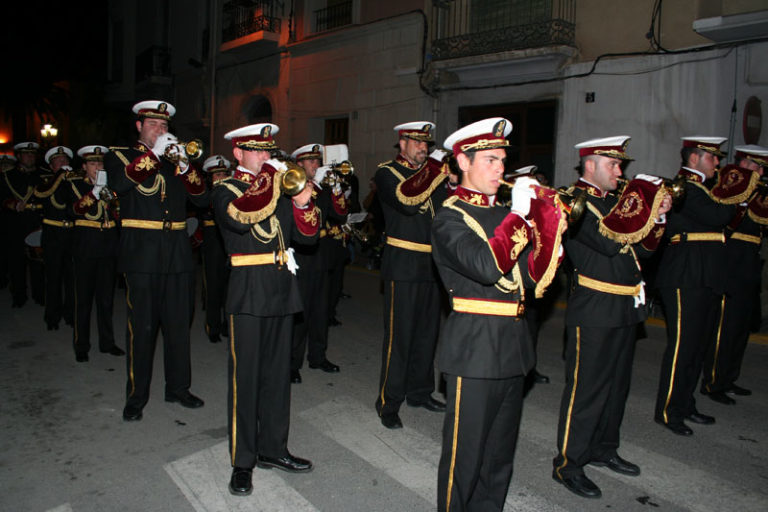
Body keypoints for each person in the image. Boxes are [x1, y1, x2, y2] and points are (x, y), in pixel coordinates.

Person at [432, 117, 566, 511]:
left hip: (512, 344)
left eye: (502, 160)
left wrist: (547, 224)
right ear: (463, 162)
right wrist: (520, 216)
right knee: (465, 460)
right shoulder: (449, 217)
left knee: (498, 461)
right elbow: (487, 266)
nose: (500, 168)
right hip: (474, 349)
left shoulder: (509, 215)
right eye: (489, 160)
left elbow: (530, 279)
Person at [552, 137, 672, 499]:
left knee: (617, 386)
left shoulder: (615, 204)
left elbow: (645, 250)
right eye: (613, 165)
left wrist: (658, 213)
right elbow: (607, 241)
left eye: (621, 166)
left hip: (624, 306)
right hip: (594, 307)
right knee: (587, 389)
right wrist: (642, 204)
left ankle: (604, 448)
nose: (620, 172)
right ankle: (569, 463)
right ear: (590, 164)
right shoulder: (574, 201)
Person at [212, 123, 318, 497]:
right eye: (255, 151)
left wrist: (304, 204)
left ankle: (274, 448)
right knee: (246, 379)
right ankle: (243, 462)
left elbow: (308, 237)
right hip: (248, 288)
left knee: (277, 377)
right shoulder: (226, 189)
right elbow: (244, 214)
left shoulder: (279, 187)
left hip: (280, 286)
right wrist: (272, 178)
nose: (264, 157)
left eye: (267, 150)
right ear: (238, 154)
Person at [104, 100, 209, 421]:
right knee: (143, 328)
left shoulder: (175, 160)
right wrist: (153, 155)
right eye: (153, 125)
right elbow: (120, 185)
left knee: (178, 325)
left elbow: (202, 197)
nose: (160, 131)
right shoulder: (121, 155)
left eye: (164, 127)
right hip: (141, 253)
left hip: (177, 252)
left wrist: (185, 165)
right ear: (139, 126)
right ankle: (136, 396)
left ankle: (178, 387)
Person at [654, 136, 739, 436]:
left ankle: (685, 403)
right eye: (711, 157)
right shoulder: (684, 188)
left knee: (698, 345)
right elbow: (718, 216)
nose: (717, 163)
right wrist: (736, 191)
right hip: (684, 275)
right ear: (694, 159)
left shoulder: (704, 189)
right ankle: (668, 409)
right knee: (682, 347)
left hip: (705, 274)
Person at [374, 121, 450, 429]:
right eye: (417, 142)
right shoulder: (387, 172)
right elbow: (407, 200)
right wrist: (435, 169)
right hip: (403, 263)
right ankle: (389, 401)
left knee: (427, 334)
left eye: (426, 143)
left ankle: (420, 391)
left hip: (432, 264)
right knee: (400, 337)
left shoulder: (433, 175)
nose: (423, 148)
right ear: (401, 143)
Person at [699, 145, 767, 404]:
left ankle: (728, 378)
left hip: (749, 262)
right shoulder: (728, 187)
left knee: (740, 327)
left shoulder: (757, 192)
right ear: (742, 165)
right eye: (755, 166)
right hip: (731, 261)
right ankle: (713, 381)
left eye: (761, 168)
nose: (759, 172)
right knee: (724, 326)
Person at [289, 143, 344, 384]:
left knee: (321, 311)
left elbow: (340, 214)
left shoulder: (321, 189)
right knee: (300, 314)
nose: (316, 165)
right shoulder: (293, 188)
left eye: (317, 161)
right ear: (299, 164)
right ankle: (292, 363)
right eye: (311, 161)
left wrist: (335, 188)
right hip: (301, 257)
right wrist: (314, 189)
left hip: (321, 257)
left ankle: (318, 356)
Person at [68, 145, 124, 362]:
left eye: (100, 163)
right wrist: (94, 192)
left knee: (106, 300)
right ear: (84, 166)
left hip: (108, 248)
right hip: (85, 248)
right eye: (92, 163)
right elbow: (75, 210)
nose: (97, 167)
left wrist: (112, 199)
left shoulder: (109, 187)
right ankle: (81, 345)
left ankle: (107, 342)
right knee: (82, 300)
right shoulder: (76, 185)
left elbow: (117, 214)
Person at [34, 145, 76, 330]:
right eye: (58, 162)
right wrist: (59, 176)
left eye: (65, 161)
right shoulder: (46, 181)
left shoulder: (74, 181)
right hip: (53, 235)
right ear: (51, 166)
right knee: (53, 278)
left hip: (72, 235)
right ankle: (52, 317)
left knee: (72, 278)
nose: (63, 164)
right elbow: (40, 194)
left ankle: (70, 315)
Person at [0, 142, 45, 307]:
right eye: (26, 154)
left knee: (38, 262)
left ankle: (40, 295)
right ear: (19, 156)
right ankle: (19, 296)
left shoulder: (43, 175)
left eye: (33, 154)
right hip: (16, 224)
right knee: (16, 263)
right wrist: (11, 203)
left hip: (36, 222)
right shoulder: (7, 176)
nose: (30, 157)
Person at [200, 154, 232, 344]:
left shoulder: (230, 192)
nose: (220, 179)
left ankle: (228, 325)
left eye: (223, 174)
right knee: (213, 286)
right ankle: (213, 327)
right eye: (216, 175)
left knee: (229, 287)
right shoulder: (205, 194)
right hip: (212, 242)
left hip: (227, 242)